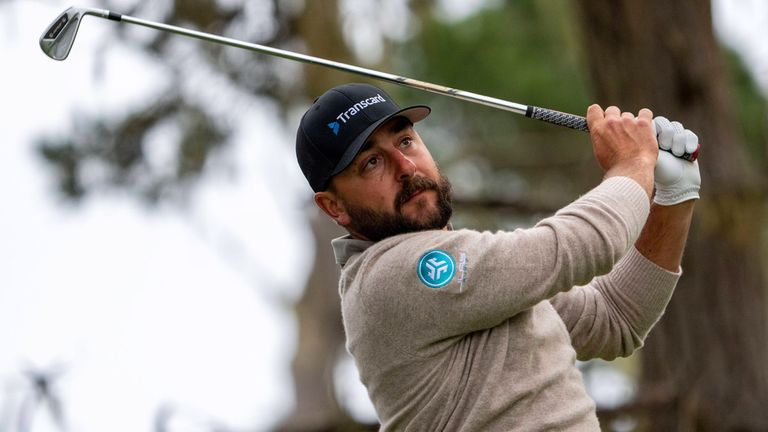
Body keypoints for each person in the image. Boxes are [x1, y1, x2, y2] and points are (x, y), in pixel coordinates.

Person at [295, 83, 700, 431]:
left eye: (405, 141)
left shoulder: (479, 281)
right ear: (334, 208)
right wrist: (633, 165)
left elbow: (615, 317)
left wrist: (673, 198)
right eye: (371, 163)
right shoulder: (391, 278)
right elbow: (578, 245)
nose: (405, 167)